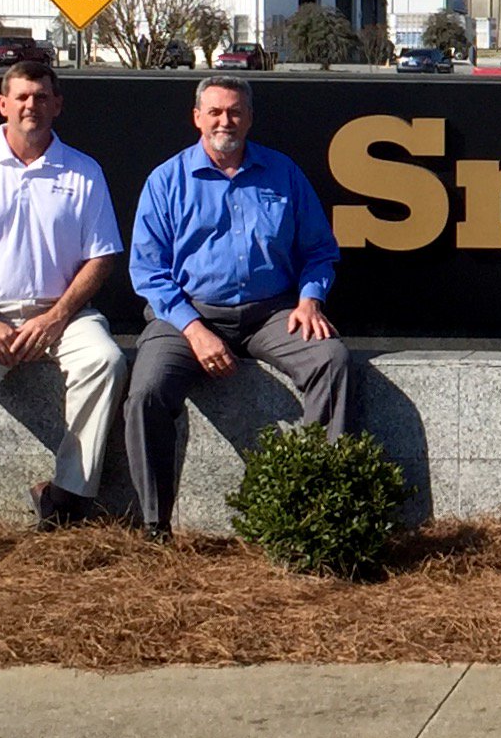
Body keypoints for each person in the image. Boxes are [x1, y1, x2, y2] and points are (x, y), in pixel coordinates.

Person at [125, 74, 353, 538]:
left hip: (272, 312)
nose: (224, 121)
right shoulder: (166, 180)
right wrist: (193, 329)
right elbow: (148, 272)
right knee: (146, 391)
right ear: (197, 118)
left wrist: (311, 298)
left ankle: (313, 508)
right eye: (214, 112)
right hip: (185, 313)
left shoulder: (282, 172)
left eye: (234, 112)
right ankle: (154, 523)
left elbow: (319, 250)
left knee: (332, 360)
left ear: (249, 118)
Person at [0, 61, 127, 564]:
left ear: (57, 105)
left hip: (61, 314)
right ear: (3, 105)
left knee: (107, 360)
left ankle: (66, 497)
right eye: (22, 97)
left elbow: (102, 257)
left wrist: (55, 318)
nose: (31, 105)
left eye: (41, 97)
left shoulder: (83, 170)